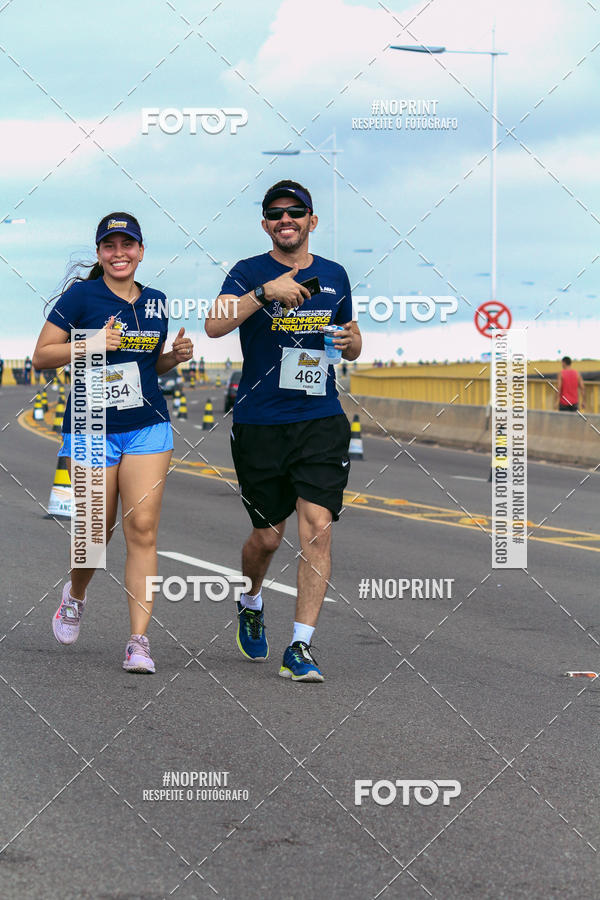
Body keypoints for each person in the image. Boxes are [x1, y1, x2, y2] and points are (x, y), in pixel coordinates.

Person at [206, 179, 361, 683]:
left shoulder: (335, 275)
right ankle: (251, 600)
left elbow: (348, 343)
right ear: (266, 224)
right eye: (275, 213)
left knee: (316, 528)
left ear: (313, 221)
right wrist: (263, 292)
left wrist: (355, 339)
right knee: (267, 539)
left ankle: (301, 647)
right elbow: (213, 325)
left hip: (319, 418)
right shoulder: (248, 271)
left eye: (296, 212)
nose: (285, 219)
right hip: (260, 422)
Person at [32, 212, 193, 673]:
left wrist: (172, 358)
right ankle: (75, 594)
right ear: (100, 253)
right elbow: (42, 356)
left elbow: (146, 368)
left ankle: (139, 642)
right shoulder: (81, 296)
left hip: (148, 426)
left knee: (142, 528)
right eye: (110, 246)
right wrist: (92, 341)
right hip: (90, 426)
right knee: (94, 534)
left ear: (141, 251)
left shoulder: (158, 302)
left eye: (128, 245)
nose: (119, 253)